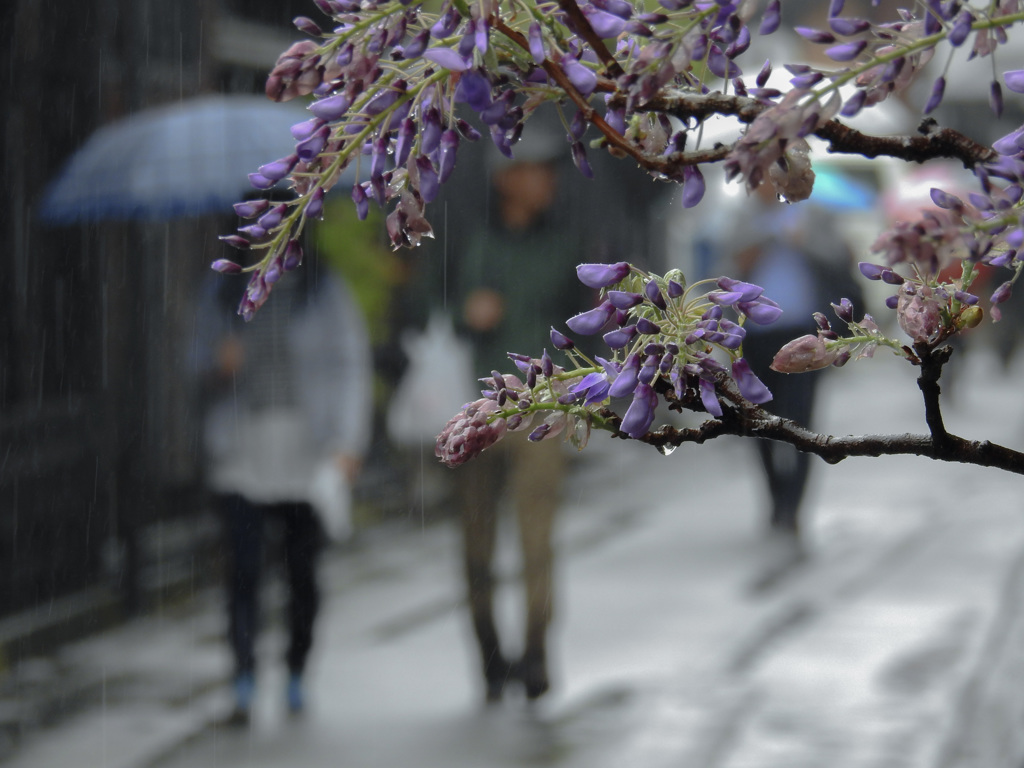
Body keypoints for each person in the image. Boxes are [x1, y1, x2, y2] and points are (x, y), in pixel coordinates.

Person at [193, 255, 372, 725]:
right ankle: (243, 676)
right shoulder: (221, 289)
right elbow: (190, 362)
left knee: (301, 572)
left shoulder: (322, 287)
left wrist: (348, 441)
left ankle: (296, 668)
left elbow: (351, 362)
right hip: (241, 448)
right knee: (243, 571)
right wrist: (218, 363)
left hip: (305, 451)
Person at [447, 132, 589, 702]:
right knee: (476, 542)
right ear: (506, 179)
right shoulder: (475, 243)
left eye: (548, 172)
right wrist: (468, 313)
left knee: (537, 539)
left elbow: (582, 327)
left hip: (542, 415)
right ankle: (487, 651)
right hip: (479, 412)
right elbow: (437, 311)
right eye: (534, 171)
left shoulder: (565, 247)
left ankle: (535, 651)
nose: (545, 182)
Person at [727, 182, 860, 543]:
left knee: (802, 421)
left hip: (803, 331)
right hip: (754, 338)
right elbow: (727, 271)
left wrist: (804, 241)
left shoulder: (813, 216)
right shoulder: (740, 218)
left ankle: (794, 508)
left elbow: (840, 259)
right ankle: (775, 499)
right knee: (758, 423)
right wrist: (759, 242)